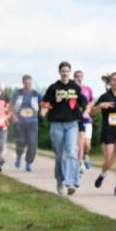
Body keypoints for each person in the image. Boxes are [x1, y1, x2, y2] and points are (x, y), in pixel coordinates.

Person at [41, 61, 88, 195]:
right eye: (63, 71)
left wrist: (81, 107)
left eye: (67, 71)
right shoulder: (53, 87)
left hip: (72, 124)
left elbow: (83, 101)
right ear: (60, 72)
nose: (65, 73)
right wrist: (54, 101)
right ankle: (60, 180)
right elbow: (44, 104)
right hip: (56, 124)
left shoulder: (74, 86)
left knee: (72, 151)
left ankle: (71, 182)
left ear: (69, 72)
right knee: (60, 156)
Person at [90, 72, 116, 196]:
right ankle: (103, 174)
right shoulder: (105, 96)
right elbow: (92, 112)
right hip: (108, 131)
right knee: (109, 160)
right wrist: (100, 106)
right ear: (110, 82)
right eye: (113, 80)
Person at [10, 75, 41, 171]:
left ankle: (28, 163)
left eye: (30, 83)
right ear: (23, 83)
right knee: (21, 142)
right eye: (26, 83)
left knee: (32, 143)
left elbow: (44, 103)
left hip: (33, 122)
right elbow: (11, 106)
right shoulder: (18, 93)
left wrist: (44, 109)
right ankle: (19, 156)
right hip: (20, 122)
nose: (28, 84)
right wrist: (14, 117)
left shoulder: (36, 94)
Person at [74, 69, 94, 172]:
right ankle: (80, 162)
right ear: (74, 78)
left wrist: (86, 111)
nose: (79, 78)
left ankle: (86, 155)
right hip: (76, 119)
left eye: (80, 76)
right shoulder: (72, 89)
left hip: (86, 119)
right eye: (77, 76)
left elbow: (91, 102)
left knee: (87, 144)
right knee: (79, 143)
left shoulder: (87, 89)